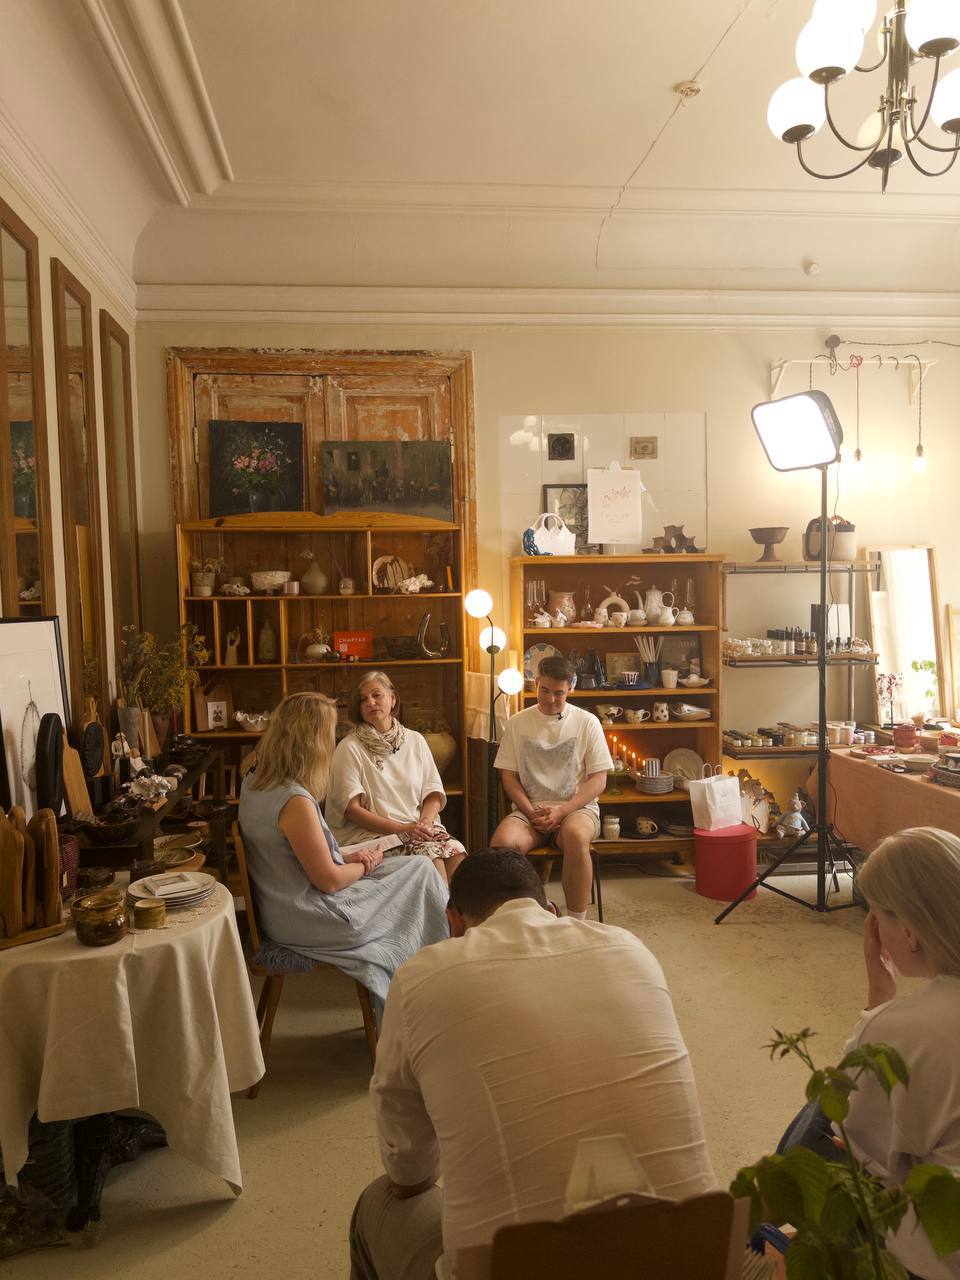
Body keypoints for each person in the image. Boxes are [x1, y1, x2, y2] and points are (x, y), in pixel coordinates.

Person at [350, 848, 716, 1280]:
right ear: (551, 909)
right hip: (695, 1260)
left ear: (453, 922)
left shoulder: (419, 978)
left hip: (516, 1266)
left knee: (378, 1203)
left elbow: (408, 1170)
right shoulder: (630, 947)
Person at [779, 827, 960, 1280]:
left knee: (824, 1111)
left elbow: (862, 1144)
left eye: (876, 915)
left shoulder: (908, 1028)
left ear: (911, 931)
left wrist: (876, 1010)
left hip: (933, 1261)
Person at [237, 691, 449, 1021]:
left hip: (281, 904)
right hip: (307, 918)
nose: (332, 742)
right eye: (328, 734)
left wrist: (350, 857)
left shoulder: (254, 780)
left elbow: (297, 855)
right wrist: (366, 863)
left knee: (417, 868)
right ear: (311, 741)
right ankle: (431, 991)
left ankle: (425, 987)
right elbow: (331, 881)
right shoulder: (294, 801)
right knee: (420, 875)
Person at [490, 655, 612, 917]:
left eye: (559, 693)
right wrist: (531, 812)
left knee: (576, 836)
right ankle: (521, 918)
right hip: (529, 810)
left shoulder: (587, 722)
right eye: (544, 690)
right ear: (536, 683)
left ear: (570, 689)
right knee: (502, 843)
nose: (550, 699)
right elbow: (509, 778)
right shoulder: (517, 723)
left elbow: (598, 779)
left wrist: (562, 811)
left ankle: (576, 921)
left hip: (576, 809)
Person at [326, 671, 466, 883]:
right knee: (431, 858)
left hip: (416, 828)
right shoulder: (349, 747)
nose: (370, 702)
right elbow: (352, 811)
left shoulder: (415, 740)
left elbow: (433, 794)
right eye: (363, 700)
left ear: (392, 699)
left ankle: (456, 906)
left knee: (457, 853)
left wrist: (425, 823)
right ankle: (443, 906)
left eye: (376, 695)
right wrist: (404, 830)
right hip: (372, 836)